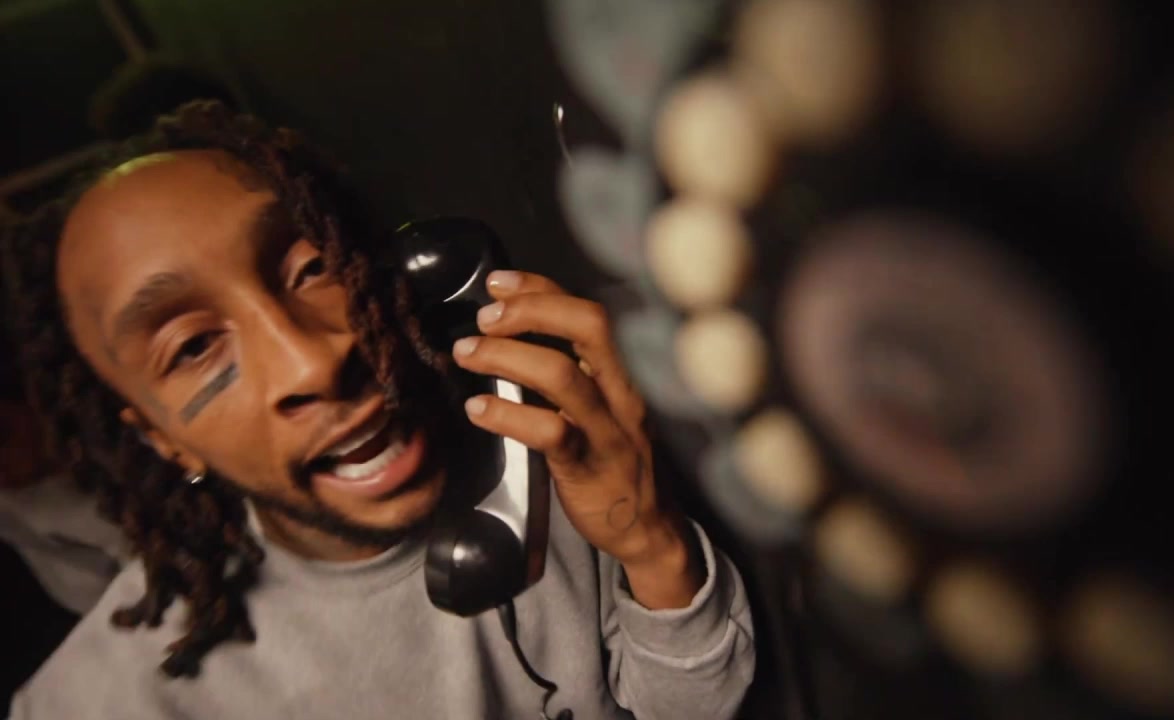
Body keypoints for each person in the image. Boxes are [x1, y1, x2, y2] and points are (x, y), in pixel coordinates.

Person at [2, 101, 755, 719]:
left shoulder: (547, 444)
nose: (312, 362)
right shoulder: (96, 705)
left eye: (311, 268)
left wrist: (648, 544)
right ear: (164, 440)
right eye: (194, 346)